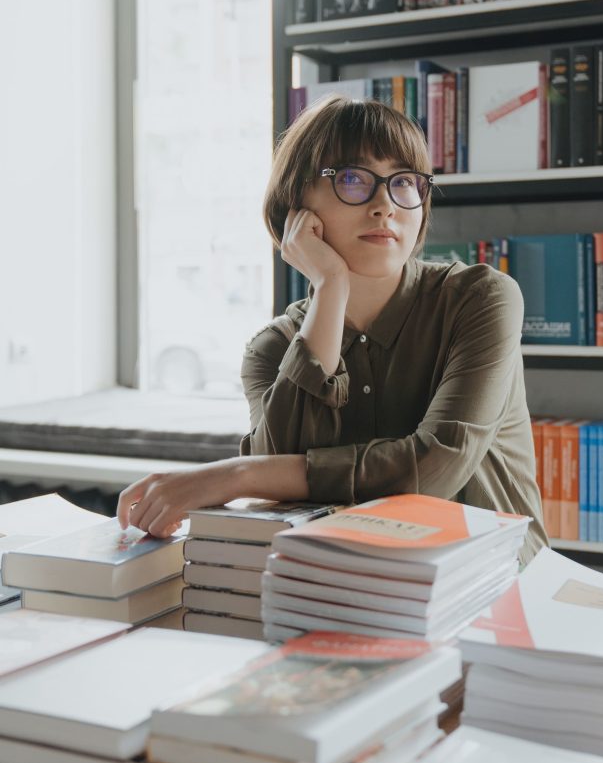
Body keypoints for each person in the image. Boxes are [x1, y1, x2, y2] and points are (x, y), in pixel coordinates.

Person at [117, 97, 548, 565]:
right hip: (344, 584)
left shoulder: (481, 298)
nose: (385, 205)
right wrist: (330, 287)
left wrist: (237, 474)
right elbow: (278, 494)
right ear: (295, 206)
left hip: (492, 584)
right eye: (352, 179)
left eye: (404, 182)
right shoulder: (271, 349)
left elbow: (433, 469)